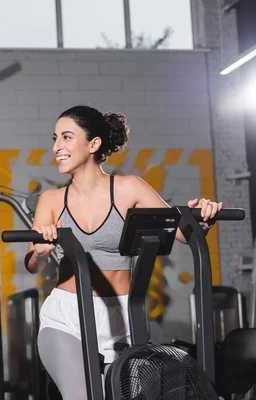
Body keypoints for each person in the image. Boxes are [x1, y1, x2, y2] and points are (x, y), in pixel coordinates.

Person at [25, 105, 222, 400]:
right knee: (81, 396)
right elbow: (33, 265)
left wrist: (202, 217)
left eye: (66, 137)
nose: (56, 147)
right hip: (67, 316)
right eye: (55, 138)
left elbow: (182, 232)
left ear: (94, 144)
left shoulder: (130, 188)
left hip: (123, 315)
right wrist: (40, 251)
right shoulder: (51, 200)